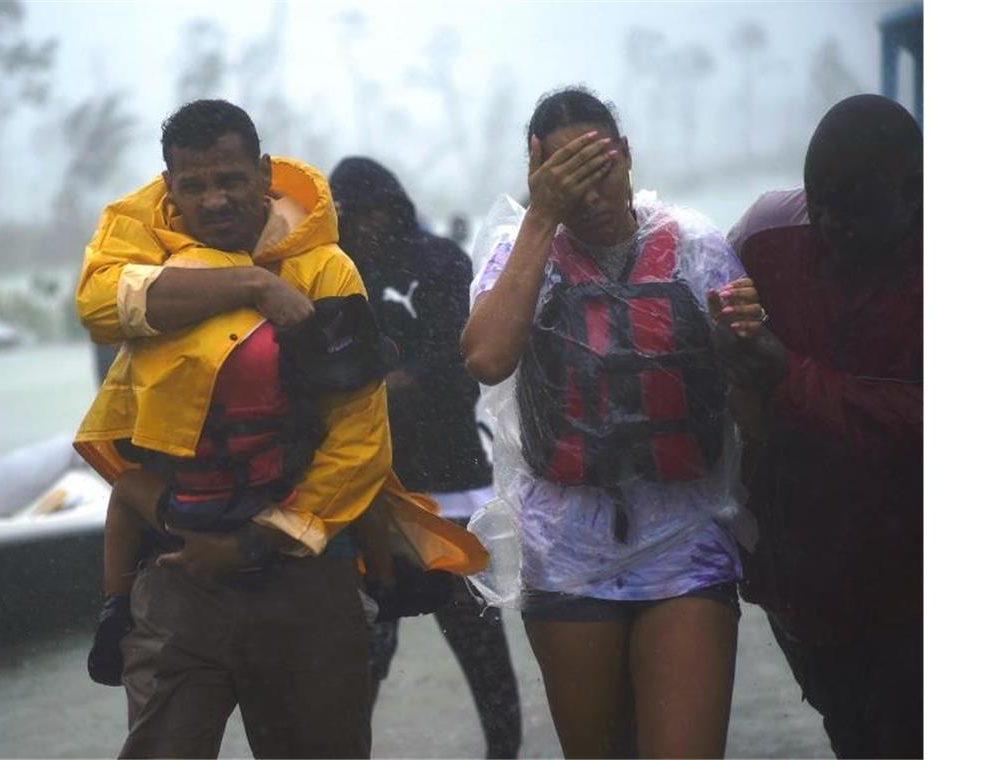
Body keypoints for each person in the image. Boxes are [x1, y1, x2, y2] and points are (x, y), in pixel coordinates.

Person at [73, 99, 485, 759]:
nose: (213, 199)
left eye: (230, 179)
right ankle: (115, 609)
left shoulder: (326, 270)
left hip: (301, 573)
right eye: (193, 185)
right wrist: (249, 286)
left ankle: (382, 592)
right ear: (168, 186)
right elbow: (98, 304)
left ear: (265, 173)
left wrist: (252, 545)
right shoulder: (141, 238)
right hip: (178, 568)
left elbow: (358, 443)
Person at [461, 86, 765, 758]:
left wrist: (751, 338)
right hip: (566, 550)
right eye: (566, 178)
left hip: (686, 542)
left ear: (627, 156)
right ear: (536, 171)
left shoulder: (693, 247)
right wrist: (544, 216)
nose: (590, 195)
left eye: (600, 169)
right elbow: (485, 356)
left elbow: (757, 396)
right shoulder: (519, 253)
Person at [721, 93, 923, 759]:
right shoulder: (768, 235)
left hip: (913, 577)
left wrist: (789, 374)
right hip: (803, 577)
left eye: (855, 207)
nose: (830, 223)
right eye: (819, 202)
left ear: (918, 192)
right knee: (855, 733)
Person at [329, 156, 522, 759]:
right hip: (369, 497)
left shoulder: (440, 261)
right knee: (363, 650)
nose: (363, 227)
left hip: (452, 490)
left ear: (396, 205)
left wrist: (392, 387)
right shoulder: (332, 278)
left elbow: (468, 363)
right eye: (348, 216)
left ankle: (503, 753)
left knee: (480, 643)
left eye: (372, 211)